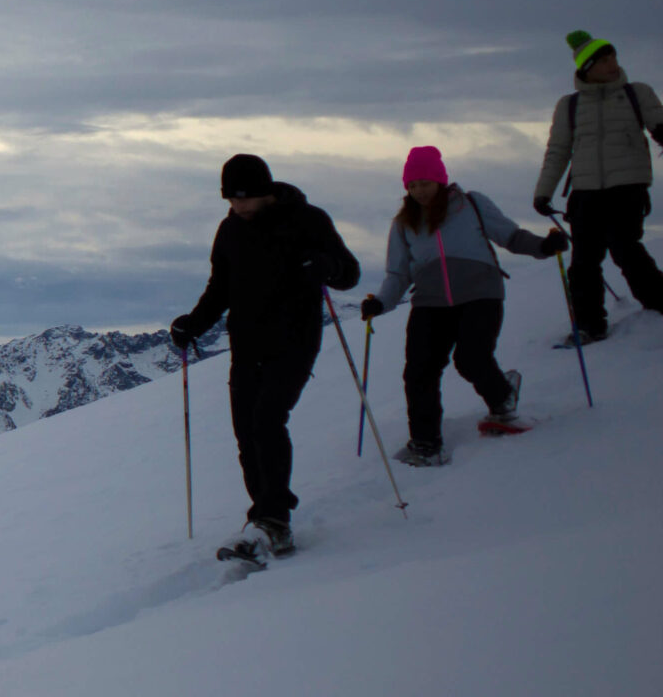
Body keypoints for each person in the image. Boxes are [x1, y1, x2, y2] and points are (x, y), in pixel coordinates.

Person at [169, 154, 361, 561]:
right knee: (246, 434)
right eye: (231, 199)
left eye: (246, 198)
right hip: (247, 345)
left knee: (267, 421)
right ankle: (265, 519)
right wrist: (193, 324)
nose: (238, 206)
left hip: (294, 340)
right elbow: (220, 288)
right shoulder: (229, 230)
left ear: (266, 191)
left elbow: (350, 273)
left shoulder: (307, 219)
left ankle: (274, 520)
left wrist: (325, 265)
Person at [359, 146, 567, 467]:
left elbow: (510, 236)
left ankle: (502, 400)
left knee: (471, 359)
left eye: (424, 182)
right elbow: (398, 274)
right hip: (430, 302)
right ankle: (426, 443)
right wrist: (381, 303)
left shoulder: (471, 204)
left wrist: (543, 246)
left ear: (440, 180)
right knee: (419, 371)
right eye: (412, 185)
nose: (418, 191)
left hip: (480, 294)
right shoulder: (404, 224)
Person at [532, 31, 663, 343]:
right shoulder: (569, 106)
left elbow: (659, 123)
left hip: (627, 186)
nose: (612, 64)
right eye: (603, 60)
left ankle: (658, 305)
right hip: (586, 191)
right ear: (586, 67)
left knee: (625, 248)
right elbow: (558, 151)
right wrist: (543, 192)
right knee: (583, 261)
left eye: (613, 57)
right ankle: (590, 325)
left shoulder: (637, 93)